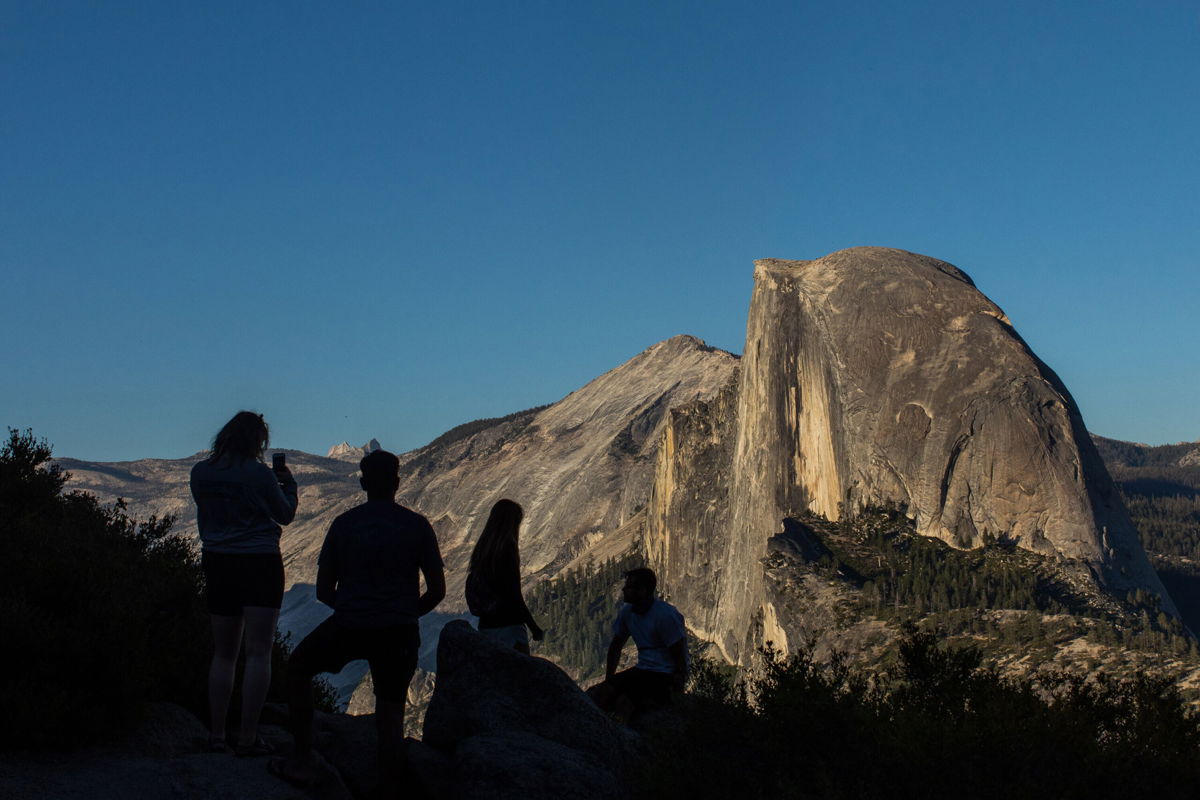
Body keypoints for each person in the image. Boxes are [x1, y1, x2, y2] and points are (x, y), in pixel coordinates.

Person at [270, 449, 445, 793]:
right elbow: (437, 590)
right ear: (397, 482)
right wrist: (406, 614)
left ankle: (303, 759)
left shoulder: (345, 524)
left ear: (363, 483)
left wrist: (352, 608)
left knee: (299, 668)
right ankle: (389, 786)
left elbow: (323, 590)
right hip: (399, 631)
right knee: (391, 713)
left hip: (350, 625)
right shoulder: (417, 525)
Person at [190, 410, 298, 756]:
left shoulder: (200, 473)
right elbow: (285, 515)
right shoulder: (259, 475)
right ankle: (248, 737)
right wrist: (289, 486)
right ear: (257, 441)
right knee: (258, 651)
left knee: (223, 654)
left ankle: (217, 734)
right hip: (259, 562)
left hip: (218, 561)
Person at [588, 567, 687, 723]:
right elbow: (616, 646)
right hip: (643, 670)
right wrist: (609, 679)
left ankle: (622, 739)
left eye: (629, 587)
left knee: (625, 703)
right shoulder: (628, 613)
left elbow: (679, 653)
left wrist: (677, 689)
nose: (624, 590)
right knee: (599, 693)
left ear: (642, 591)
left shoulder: (665, 616)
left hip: (663, 675)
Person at [465, 499, 544, 653]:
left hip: (486, 626)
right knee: (517, 674)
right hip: (510, 627)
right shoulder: (507, 548)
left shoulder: (482, 549)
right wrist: (533, 627)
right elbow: (514, 594)